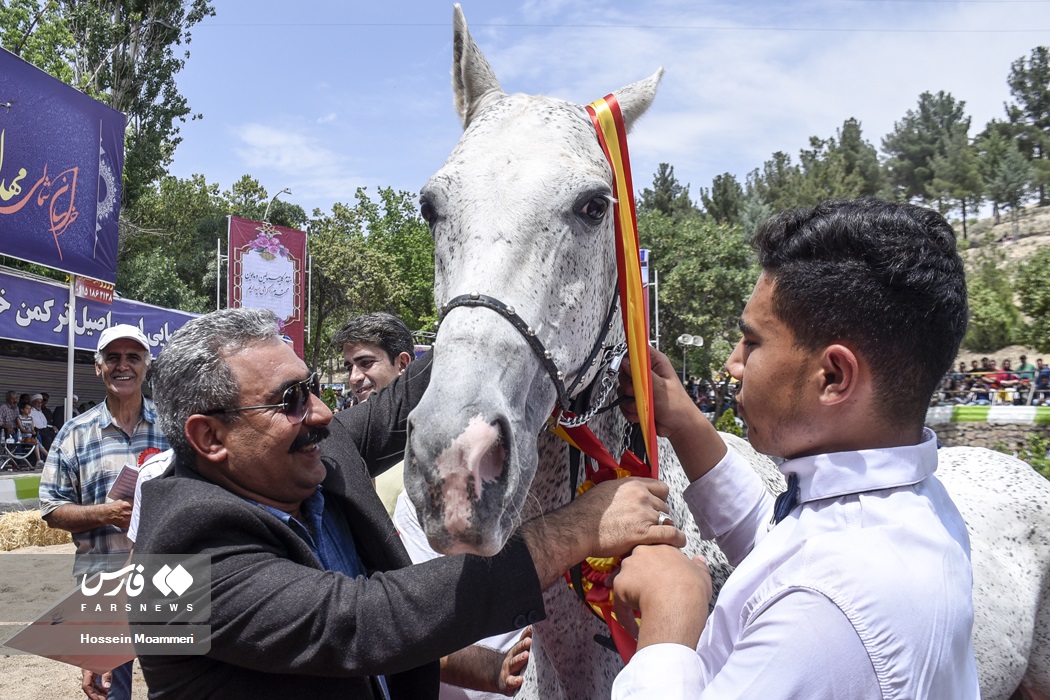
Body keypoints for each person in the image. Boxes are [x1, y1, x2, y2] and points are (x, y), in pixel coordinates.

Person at [132, 307, 680, 699]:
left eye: (313, 386)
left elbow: (417, 385)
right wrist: (577, 529)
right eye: (292, 400)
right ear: (210, 439)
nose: (323, 415)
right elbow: (362, 622)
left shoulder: (313, 455)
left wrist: (523, 305)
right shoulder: (173, 562)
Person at [612, 198, 978, 698]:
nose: (732, 364)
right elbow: (781, 544)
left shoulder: (824, 609)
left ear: (833, 376)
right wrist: (686, 424)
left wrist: (667, 625)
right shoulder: (903, 511)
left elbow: (808, 583)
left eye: (752, 343)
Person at [38, 324, 169, 700]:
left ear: (146, 366)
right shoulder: (74, 434)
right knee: (110, 689)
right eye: (113, 358)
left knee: (183, 684)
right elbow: (50, 509)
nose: (122, 366)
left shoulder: (174, 428)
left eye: (133, 358)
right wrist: (106, 513)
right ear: (98, 367)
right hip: (103, 585)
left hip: (170, 579)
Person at [333, 311, 415, 514]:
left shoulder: (435, 441)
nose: (354, 378)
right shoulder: (343, 440)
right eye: (349, 367)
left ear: (402, 364)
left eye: (366, 363)